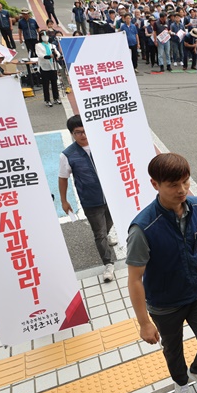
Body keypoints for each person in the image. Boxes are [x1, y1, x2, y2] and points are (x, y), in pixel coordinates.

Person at [127, 153, 197, 393]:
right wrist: (144, 323)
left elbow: (195, 238)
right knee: (173, 349)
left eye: (186, 182)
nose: (182, 190)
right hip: (164, 304)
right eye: (173, 185)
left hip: (196, 292)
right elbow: (134, 279)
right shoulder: (143, 228)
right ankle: (181, 382)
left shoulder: (195, 205)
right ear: (155, 184)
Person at [59, 115, 117, 283]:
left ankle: (106, 238)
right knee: (99, 234)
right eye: (78, 132)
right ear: (72, 134)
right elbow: (63, 178)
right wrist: (64, 200)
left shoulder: (102, 145)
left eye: (85, 131)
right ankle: (108, 264)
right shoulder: (67, 155)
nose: (83, 135)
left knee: (108, 225)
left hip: (111, 198)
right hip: (91, 201)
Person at [35, 31, 61, 107]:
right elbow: (40, 55)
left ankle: (56, 98)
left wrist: (56, 55)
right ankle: (47, 100)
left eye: (46, 35)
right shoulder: (38, 45)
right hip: (44, 66)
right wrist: (49, 56)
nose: (45, 37)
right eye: (43, 35)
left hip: (53, 66)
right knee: (46, 84)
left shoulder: (52, 45)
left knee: (54, 83)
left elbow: (57, 53)